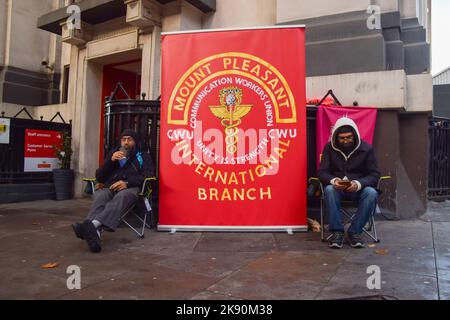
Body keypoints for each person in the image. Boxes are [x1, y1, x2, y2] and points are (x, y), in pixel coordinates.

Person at [72, 129, 154, 253]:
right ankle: (95, 232)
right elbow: (99, 176)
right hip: (110, 187)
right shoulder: (113, 154)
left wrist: (127, 183)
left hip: (131, 188)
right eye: (123, 139)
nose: (126, 142)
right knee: (100, 195)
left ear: (135, 142)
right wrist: (110, 161)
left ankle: (90, 226)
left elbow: (148, 175)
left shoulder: (143, 156)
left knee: (122, 197)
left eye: (129, 139)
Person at [318, 117, 380, 249]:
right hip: (337, 189)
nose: (345, 140)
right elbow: (322, 172)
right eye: (342, 138)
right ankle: (337, 232)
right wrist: (334, 181)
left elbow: (374, 175)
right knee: (329, 190)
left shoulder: (366, 149)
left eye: (348, 137)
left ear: (355, 135)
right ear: (335, 137)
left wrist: (358, 183)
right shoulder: (329, 148)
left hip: (359, 190)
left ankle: (355, 232)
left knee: (371, 193)